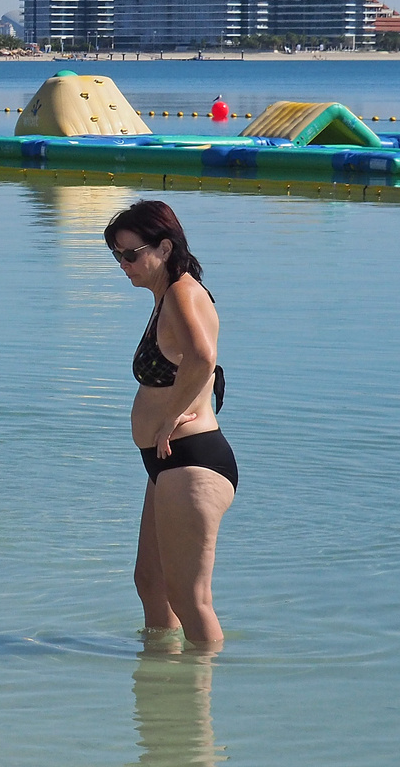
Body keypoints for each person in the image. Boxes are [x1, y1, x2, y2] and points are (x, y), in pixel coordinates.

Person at [105, 200, 236, 645]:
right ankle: (164, 686)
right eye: (117, 255)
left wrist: (168, 421)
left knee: (189, 597)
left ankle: (200, 694)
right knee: (151, 582)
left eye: (130, 254)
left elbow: (203, 358)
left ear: (164, 247)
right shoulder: (168, 296)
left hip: (191, 459)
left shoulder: (181, 291)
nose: (124, 265)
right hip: (169, 464)